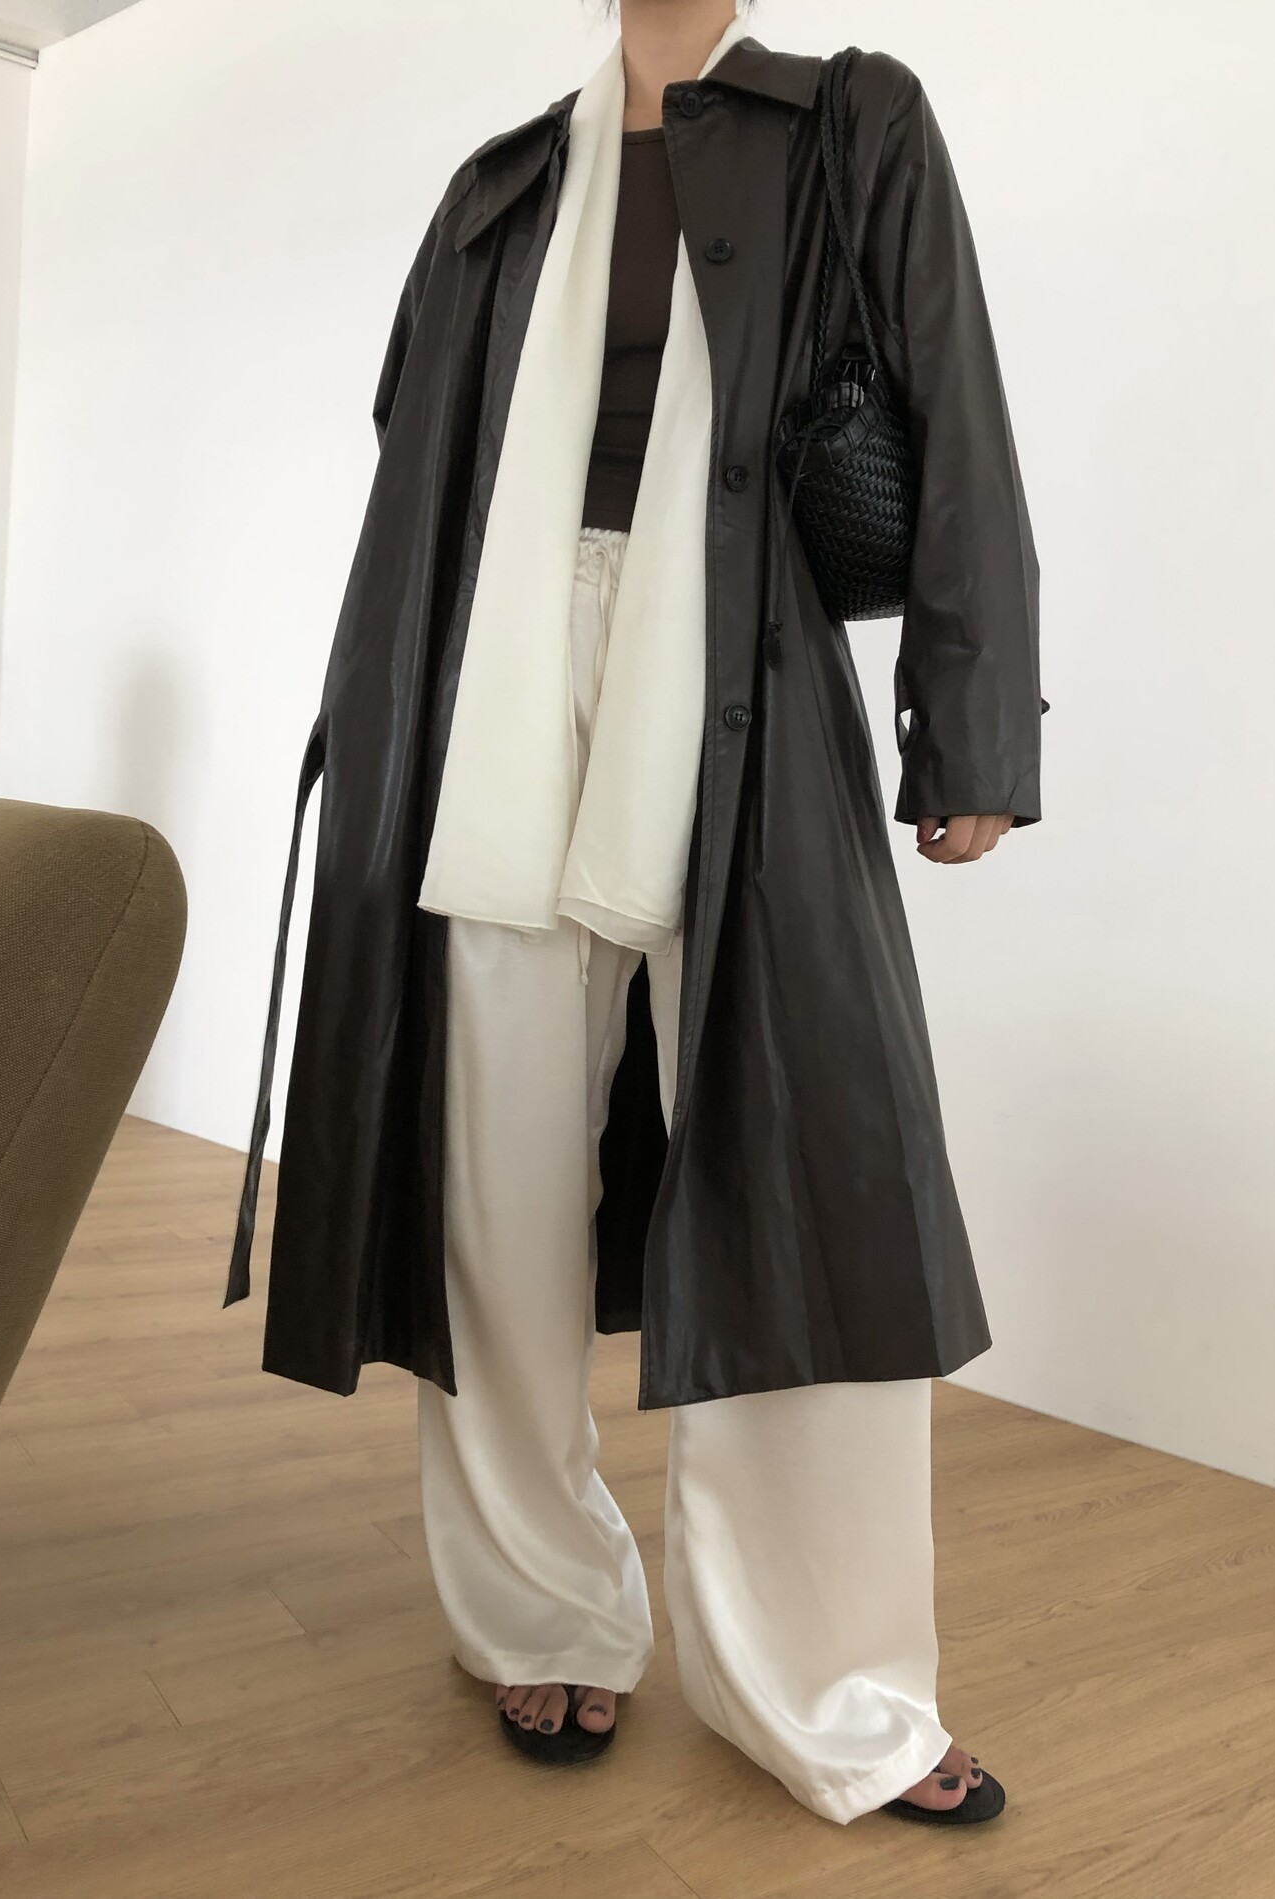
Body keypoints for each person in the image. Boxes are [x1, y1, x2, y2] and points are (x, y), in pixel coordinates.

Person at [226, 0, 1044, 1833]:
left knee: (809, 1176)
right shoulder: (505, 183)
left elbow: (956, 409)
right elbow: (412, 455)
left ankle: (832, 1685)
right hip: (497, 686)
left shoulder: (855, 123)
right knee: (495, 1170)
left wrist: (972, 723)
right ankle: (542, 1603)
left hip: (740, 672)